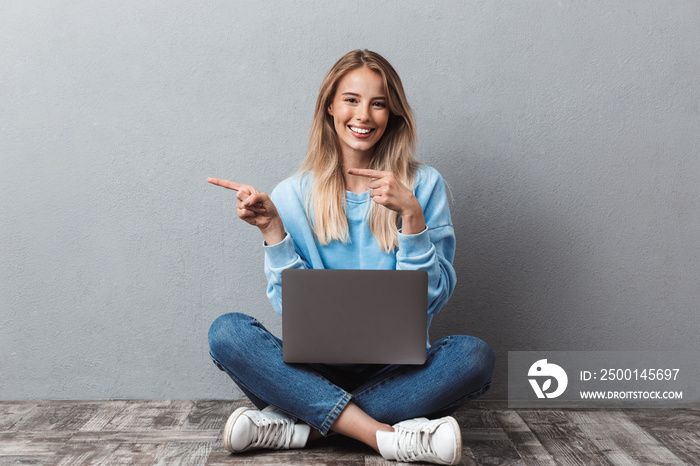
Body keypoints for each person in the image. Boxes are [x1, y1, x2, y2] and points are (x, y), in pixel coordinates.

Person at [207, 49, 495, 465]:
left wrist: (412, 218)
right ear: (329, 106)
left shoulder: (423, 186)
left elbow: (430, 299)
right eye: (351, 100)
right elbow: (291, 306)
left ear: (392, 113)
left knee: (474, 356)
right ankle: (382, 434)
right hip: (310, 371)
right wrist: (272, 230)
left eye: (378, 103)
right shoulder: (292, 194)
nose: (363, 115)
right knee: (227, 333)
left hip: (399, 374)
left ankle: (300, 424)